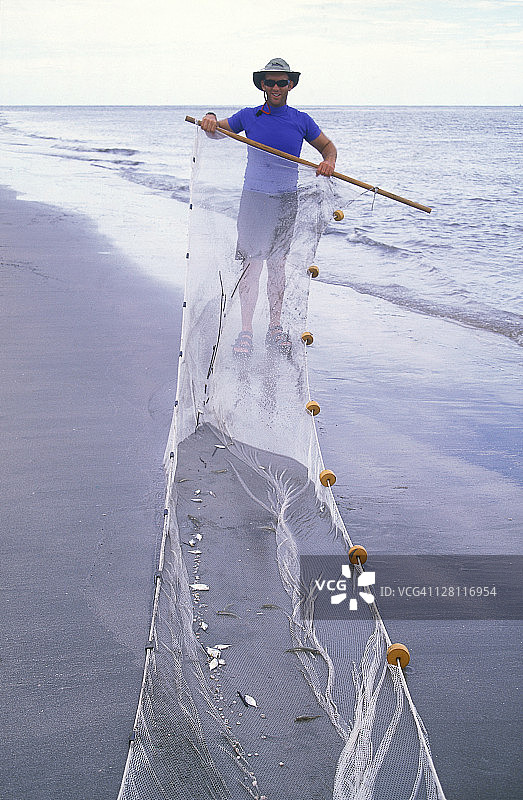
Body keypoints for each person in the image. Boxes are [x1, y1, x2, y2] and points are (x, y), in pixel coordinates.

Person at [201, 58, 337, 358]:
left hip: (286, 202)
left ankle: (275, 327)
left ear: (290, 85)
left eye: (281, 82)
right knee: (252, 265)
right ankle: (246, 331)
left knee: (277, 265)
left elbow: (328, 148)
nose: (276, 87)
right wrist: (210, 117)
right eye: (270, 82)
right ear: (262, 85)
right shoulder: (249, 116)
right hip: (254, 200)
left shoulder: (301, 120)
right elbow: (215, 130)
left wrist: (328, 162)